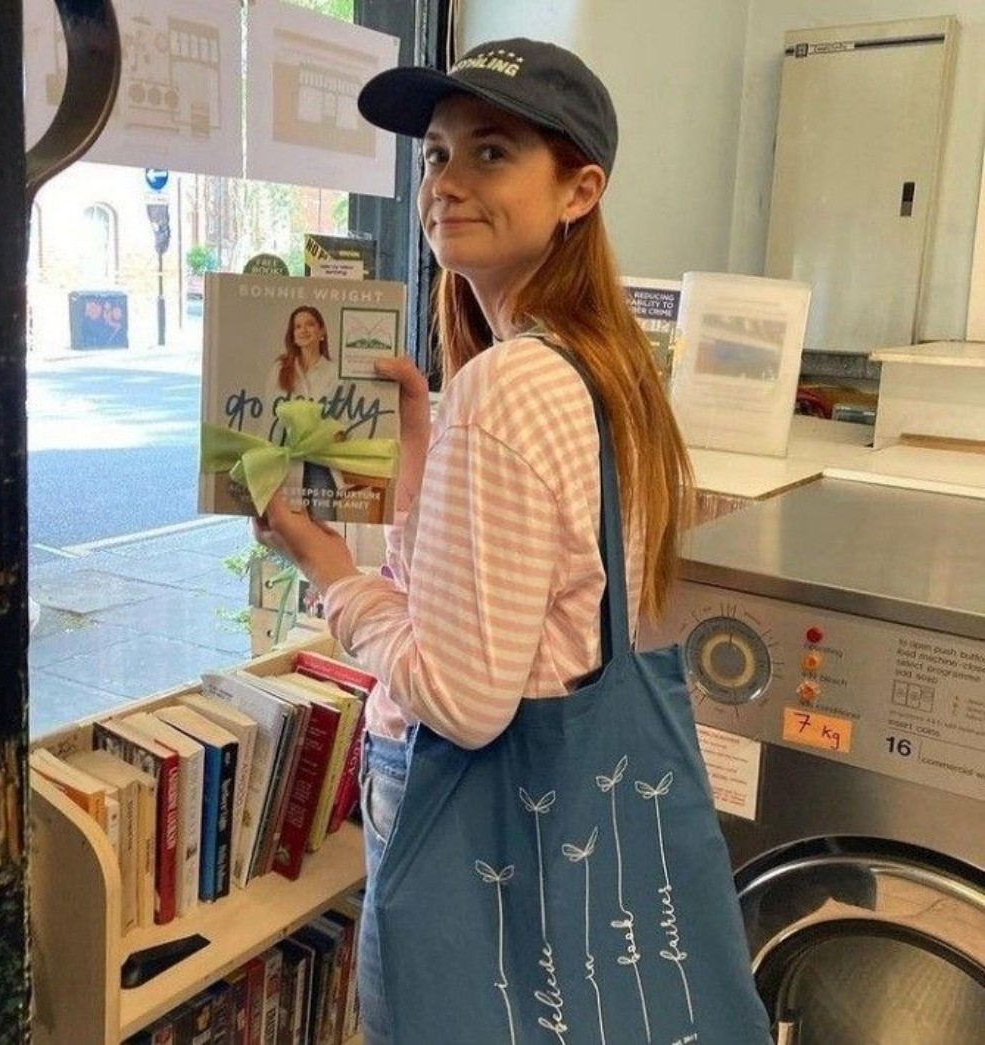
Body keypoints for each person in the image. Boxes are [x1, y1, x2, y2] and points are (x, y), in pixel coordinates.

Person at [253, 37, 693, 1043]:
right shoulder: (595, 365)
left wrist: (327, 571)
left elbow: (461, 699)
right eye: (436, 156)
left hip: (468, 811)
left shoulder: (509, 384)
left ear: (579, 190)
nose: (446, 183)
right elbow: (531, 600)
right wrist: (425, 441)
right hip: (568, 812)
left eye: (490, 152)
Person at [265, 305, 341, 520]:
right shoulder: (279, 369)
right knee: (284, 526)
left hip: (321, 462)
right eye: (297, 326)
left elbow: (339, 420)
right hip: (286, 460)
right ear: (292, 334)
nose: (303, 330)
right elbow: (270, 419)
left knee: (322, 524)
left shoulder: (335, 372)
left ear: (322, 331)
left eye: (310, 324)